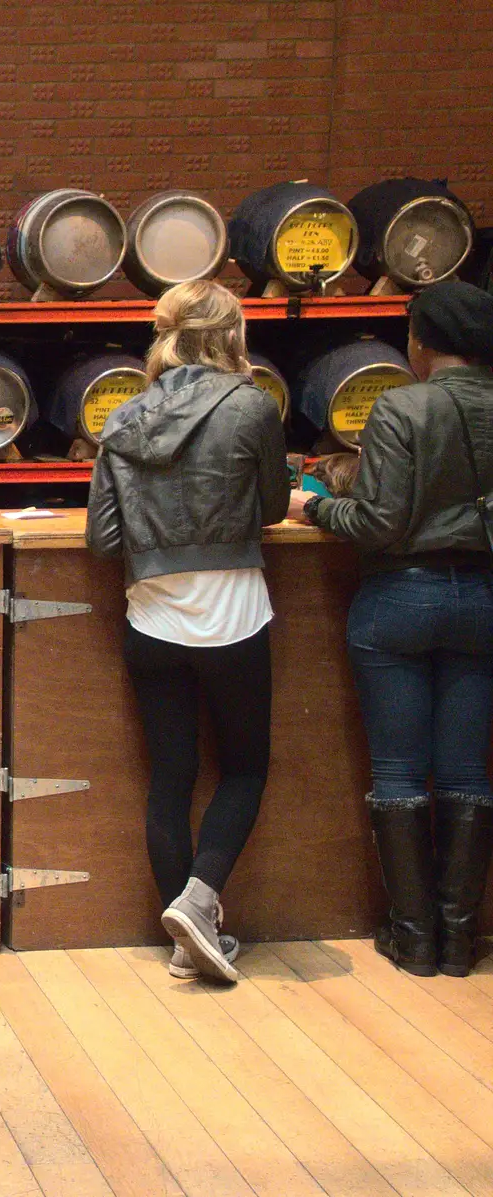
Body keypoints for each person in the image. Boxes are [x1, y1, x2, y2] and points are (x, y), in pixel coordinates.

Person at [87, 279, 290, 984]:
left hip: (152, 614)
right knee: (246, 767)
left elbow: (105, 539)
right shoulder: (252, 406)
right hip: (234, 611)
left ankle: (181, 936)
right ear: (230, 334)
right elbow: (271, 506)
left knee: (170, 777)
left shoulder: (123, 417)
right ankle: (200, 905)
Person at [290, 279, 493, 979]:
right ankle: (461, 939)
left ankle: (414, 938)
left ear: (423, 342)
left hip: (400, 601)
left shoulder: (402, 406)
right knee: (468, 768)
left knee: (400, 768)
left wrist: (314, 509)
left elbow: (378, 522)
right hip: (485, 602)